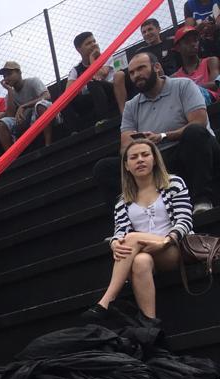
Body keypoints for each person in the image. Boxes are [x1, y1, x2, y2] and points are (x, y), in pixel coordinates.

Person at [94, 51, 220, 213]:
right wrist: (142, 147)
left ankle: (202, 201)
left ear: (157, 67)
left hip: (192, 151)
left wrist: (163, 136)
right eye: (132, 73)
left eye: (141, 69)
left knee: (195, 132)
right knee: (103, 167)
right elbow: (125, 145)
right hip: (156, 161)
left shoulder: (183, 85)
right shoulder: (131, 106)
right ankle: (129, 221)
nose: (136, 75)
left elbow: (199, 121)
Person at [86, 140, 193, 321]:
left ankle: (107, 300)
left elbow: (185, 219)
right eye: (134, 157)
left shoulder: (173, 183)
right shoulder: (123, 201)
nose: (140, 160)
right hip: (145, 251)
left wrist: (167, 241)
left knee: (132, 238)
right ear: (126, 165)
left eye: (145, 155)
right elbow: (120, 231)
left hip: (174, 246)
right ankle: (150, 324)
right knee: (140, 261)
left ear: (154, 159)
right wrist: (114, 243)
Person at [114, 19, 179, 115]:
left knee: (156, 67)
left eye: (150, 29)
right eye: (144, 32)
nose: (147, 33)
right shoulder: (140, 52)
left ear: (159, 29)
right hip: (143, 82)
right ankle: (124, 114)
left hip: (166, 79)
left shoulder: (170, 43)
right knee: (118, 75)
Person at [63, 32, 118, 130]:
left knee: (93, 84)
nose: (94, 44)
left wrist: (93, 59)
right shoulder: (76, 69)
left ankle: (104, 119)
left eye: (94, 41)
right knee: (63, 99)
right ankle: (75, 131)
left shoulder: (106, 56)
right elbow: (69, 91)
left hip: (109, 90)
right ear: (79, 49)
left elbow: (101, 75)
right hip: (89, 97)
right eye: (88, 43)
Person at [0, 62, 54, 153]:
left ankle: (48, 145)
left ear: (19, 72)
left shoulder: (33, 81)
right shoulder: (9, 95)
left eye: (9, 74)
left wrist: (24, 106)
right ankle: (11, 158)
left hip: (42, 115)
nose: (7, 78)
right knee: (1, 123)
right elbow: (10, 115)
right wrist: (9, 90)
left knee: (41, 105)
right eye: (4, 77)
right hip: (26, 121)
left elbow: (47, 96)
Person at [172, 25, 220, 102]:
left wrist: (189, 88)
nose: (193, 44)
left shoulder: (211, 61)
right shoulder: (175, 77)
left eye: (195, 40)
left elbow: (216, 84)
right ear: (178, 48)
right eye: (187, 41)